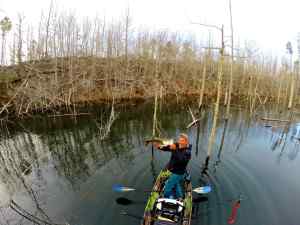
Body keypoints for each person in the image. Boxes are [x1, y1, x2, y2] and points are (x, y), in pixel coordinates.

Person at [154, 133, 192, 199]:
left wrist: (175, 150)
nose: (180, 142)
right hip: (172, 170)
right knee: (176, 184)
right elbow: (168, 148)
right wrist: (160, 147)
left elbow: (181, 160)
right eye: (180, 140)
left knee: (167, 189)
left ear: (186, 142)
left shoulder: (188, 152)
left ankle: (168, 198)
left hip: (178, 173)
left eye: (182, 141)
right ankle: (180, 196)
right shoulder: (177, 145)